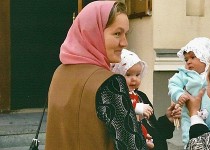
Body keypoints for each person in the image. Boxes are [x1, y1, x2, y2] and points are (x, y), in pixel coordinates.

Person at [45, 1, 147, 150]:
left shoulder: (60, 72)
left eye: (126, 34)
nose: (124, 42)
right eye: (117, 34)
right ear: (93, 33)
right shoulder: (109, 82)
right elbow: (132, 146)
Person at [111, 49, 182, 150]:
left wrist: (168, 119)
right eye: (128, 74)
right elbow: (123, 127)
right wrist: (138, 109)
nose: (134, 79)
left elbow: (157, 131)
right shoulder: (115, 99)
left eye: (137, 74)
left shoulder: (141, 96)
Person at [168, 37, 210, 147]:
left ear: (205, 57)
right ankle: (189, 145)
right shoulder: (184, 74)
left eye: (193, 57)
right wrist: (180, 94)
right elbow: (173, 85)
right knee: (189, 132)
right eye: (186, 59)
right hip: (190, 112)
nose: (188, 62)